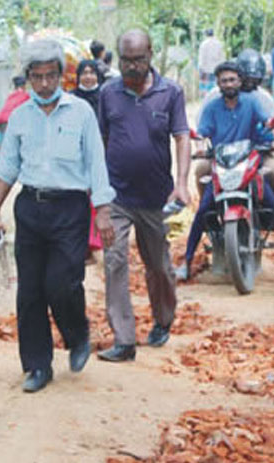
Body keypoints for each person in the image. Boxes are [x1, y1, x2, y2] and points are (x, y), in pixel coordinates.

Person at [0, 39, 116, 393]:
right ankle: (37, 366)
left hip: (69, 210)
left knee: (61, 284)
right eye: (37, 77)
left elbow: (96, 164)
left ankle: (77, 335)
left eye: (50, 76)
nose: (43, 84)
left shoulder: (81, 113)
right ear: (27, 78)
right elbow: (8, 166)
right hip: (30, 208)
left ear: (62, 75)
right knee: (29, 293)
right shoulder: (20, 116)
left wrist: (103, 212)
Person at [96, 29, 191, 363]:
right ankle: (124, 339)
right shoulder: (108, 93)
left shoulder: (171, 93)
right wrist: (98, 194)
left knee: (159, 267)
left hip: (155, 198)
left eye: (138, 59)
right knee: (115, 262)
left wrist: (181, 182)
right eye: (125, 60)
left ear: (151, 54)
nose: (132, 66)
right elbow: (100, 143)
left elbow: (181, 138)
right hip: (117, 196)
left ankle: (163, 320)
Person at [175, 61, 274, 281]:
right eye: (224, 80)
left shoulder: (252, 102)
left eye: (232, 79)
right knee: (203, 209)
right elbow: (203, 133)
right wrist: (198, 145)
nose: (229, 84)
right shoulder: (211, 107)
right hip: (221, 165)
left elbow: (266, 123)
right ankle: (187, 262)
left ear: (240, 81)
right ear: (218, 84)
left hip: (248, 164)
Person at [195, 49, 274, 198]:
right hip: (220, 155)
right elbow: (202, 130)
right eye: (225, 81)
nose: (250, 85)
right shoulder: (213, 99)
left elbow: (270, 123)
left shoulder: (260, 99)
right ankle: (204, 207)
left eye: (254, 81)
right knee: (201, 171)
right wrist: (200, 147)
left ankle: (272, 212)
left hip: (255, 153)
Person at [71, 60, 107, 265]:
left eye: (91, 72)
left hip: (103, 153)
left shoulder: (105, 97)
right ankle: (83, 246)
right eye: (83, 73)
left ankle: (98, 243)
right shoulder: (71, 98)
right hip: (78, 155)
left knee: (100, 199)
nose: (88, 77)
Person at [0, 75, 29, 164]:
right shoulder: (26, 96)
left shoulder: (11, 96)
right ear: (24, 86)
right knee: (13, 142)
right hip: (10, 120)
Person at [198, 29, 225, 95]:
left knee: (206, 87)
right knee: (216, 86)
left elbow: (202, 58)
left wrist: (201, 68)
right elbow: (222, 57)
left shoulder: (204, 44)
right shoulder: (219, 44)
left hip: (206, 69)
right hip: (216, 69)